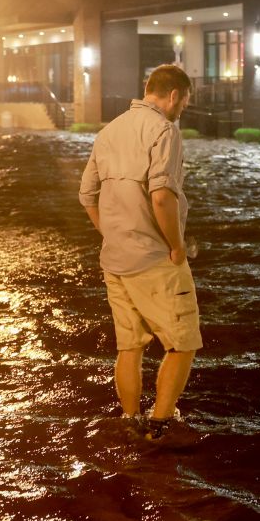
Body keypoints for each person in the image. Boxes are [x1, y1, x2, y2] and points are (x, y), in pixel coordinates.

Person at [79, 64, 200, 441]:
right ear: (174, 95)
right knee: (182, 343)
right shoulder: (165, 130)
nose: (182, 110)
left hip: (115, 260)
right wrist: (177, 247)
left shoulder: (108, 131)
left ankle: (131, 420)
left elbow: (86, 196)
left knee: (129, 346)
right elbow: (162, 197)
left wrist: (112, 233)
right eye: (184, 103)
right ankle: (161, 425)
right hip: (153, 259)